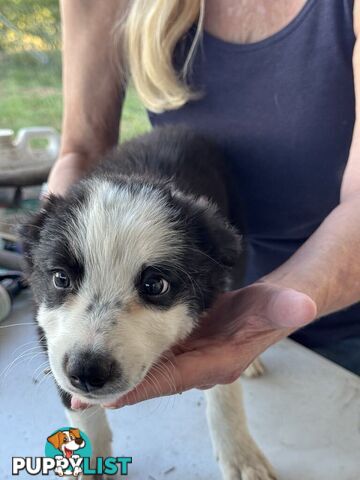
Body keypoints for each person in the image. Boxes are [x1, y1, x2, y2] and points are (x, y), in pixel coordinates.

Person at [50, 0, 360, 410]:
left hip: (342, 310)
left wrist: (272, 307)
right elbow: (83, 149)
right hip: (204, 279)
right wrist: (51, 247)